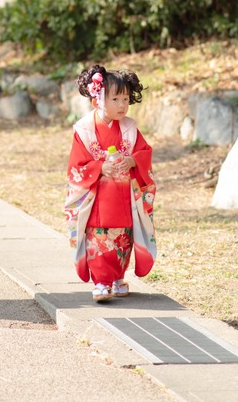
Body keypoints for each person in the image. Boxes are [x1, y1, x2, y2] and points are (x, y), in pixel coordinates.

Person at [64, 65, 157, 303]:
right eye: (115, 99)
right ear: (97, 100)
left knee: (123, 237)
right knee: (100, 238)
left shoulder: (129, 128)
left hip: (123, 196)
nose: (122, 105)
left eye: (125, 99)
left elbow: (144, 152)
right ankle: (102, 282)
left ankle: (117, 277)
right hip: (98, 198)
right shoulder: (84, 130)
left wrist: (132, 160)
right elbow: (77, 166)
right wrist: (100, 167)